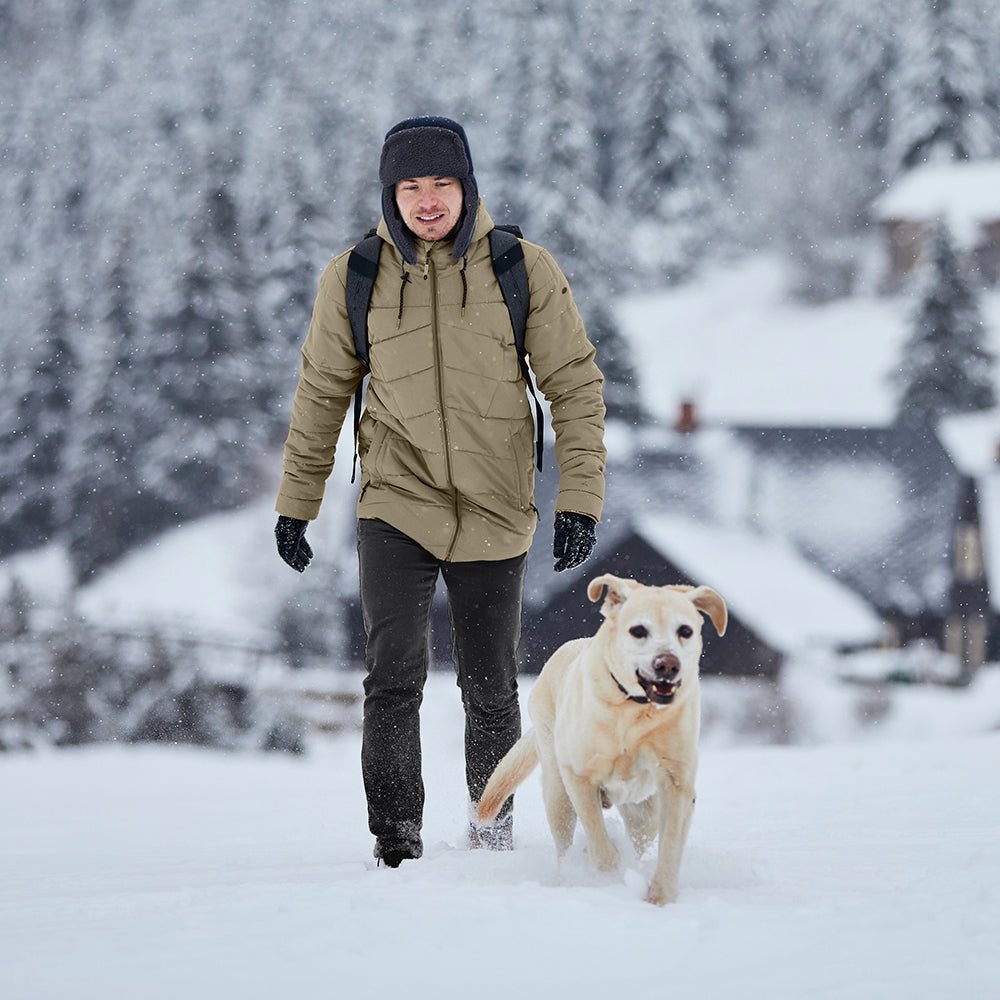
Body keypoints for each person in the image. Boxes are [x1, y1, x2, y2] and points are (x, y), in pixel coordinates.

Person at [273, 115, 606, 867]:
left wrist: (579, 498)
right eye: (410, 186)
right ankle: (397, 843)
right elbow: (321, 392)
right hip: (397, 499)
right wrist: (297, 504)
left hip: (495, 506)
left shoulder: (521, 268)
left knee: (490, 687)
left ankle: (491, 836)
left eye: (442, 184)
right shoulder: (354, 277)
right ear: (391, 195)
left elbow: (575, 387)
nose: (427, 201)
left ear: (467, 188)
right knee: (393, 678)